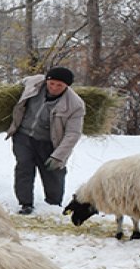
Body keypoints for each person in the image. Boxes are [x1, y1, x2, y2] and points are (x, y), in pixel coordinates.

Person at [6, 66, 85, 215]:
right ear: (47, 80)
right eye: (51, 83)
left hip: (50, 143)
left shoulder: (75, 105)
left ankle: (53, 204)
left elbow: (73, 133)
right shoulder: (35, 83)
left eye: (59, 85)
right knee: (24, 168)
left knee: (53, 173)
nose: (54, 87)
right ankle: (25, 203)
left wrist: (58, 156)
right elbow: (21, 82)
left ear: (67, 86)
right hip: (23, 136)